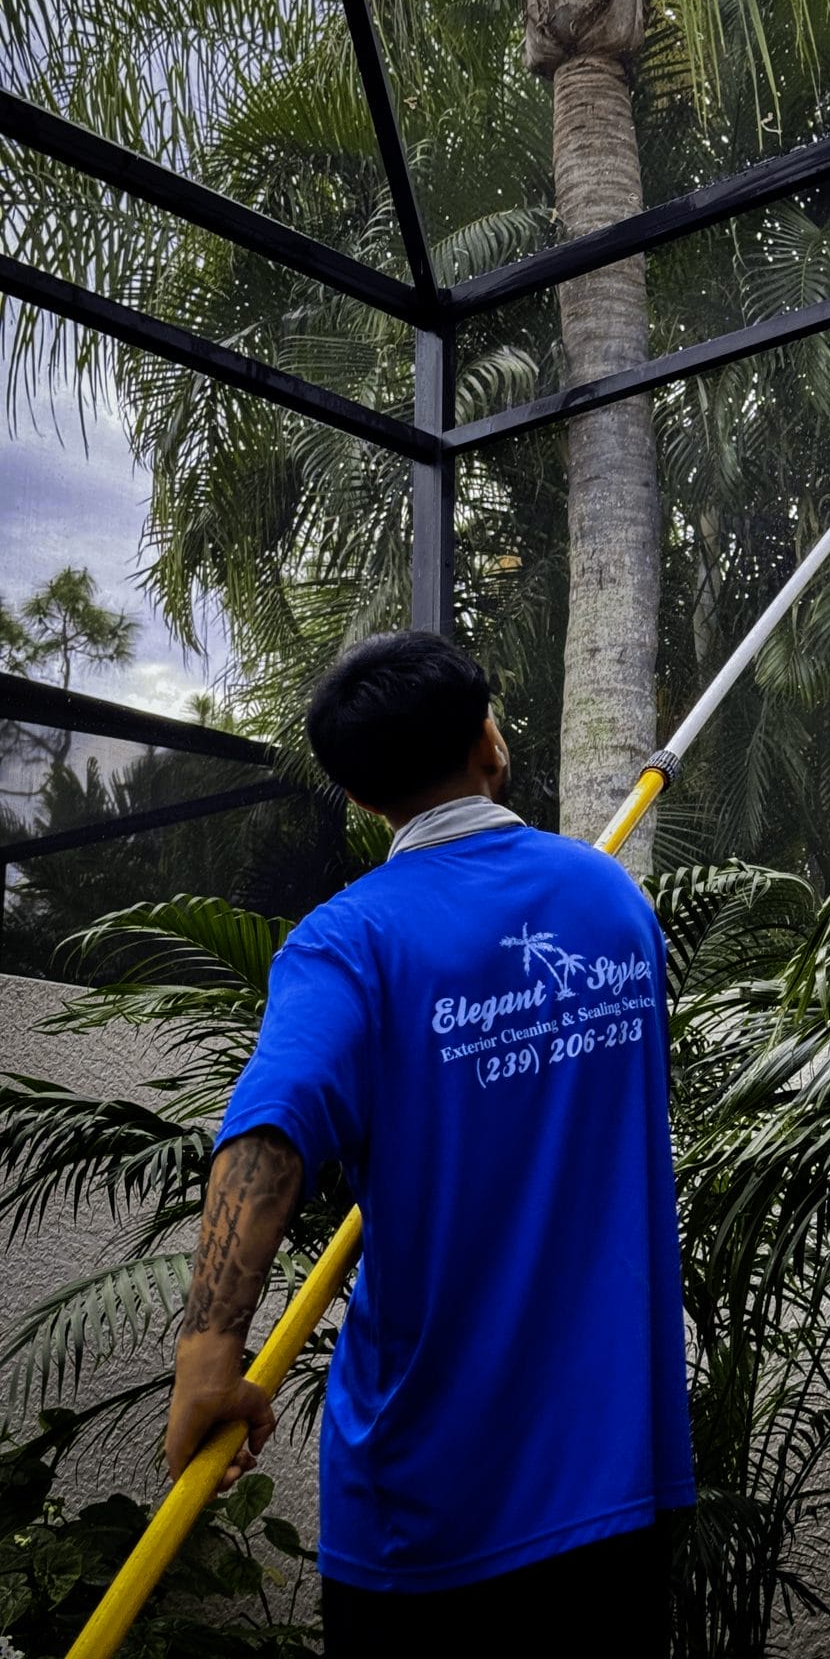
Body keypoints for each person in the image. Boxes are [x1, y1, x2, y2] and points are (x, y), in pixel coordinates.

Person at [164, 631, 694, 1654]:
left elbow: (266, 1140)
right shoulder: (614, 906)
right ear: (489, 741)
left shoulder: (347, 943)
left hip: (425, 1514)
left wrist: (207, 1358)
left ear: (362, 799)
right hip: (614, 1488)